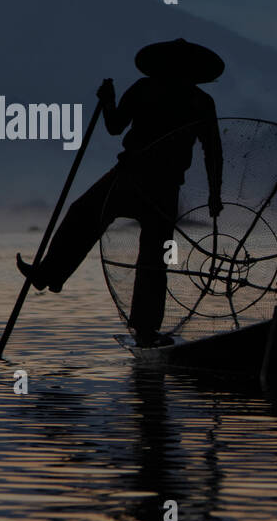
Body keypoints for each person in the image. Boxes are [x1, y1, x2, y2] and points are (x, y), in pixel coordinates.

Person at [17, 39, 225, 346]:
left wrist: (215, 193)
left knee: (150, 256)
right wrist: (109, 100)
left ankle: (143, 328)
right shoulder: (166, 93)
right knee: (87, 215)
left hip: (158, 184)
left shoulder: (196, 101)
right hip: (133, 176)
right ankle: (51, 276)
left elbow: (213, 152)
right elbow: (117, 126)